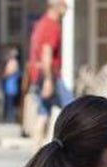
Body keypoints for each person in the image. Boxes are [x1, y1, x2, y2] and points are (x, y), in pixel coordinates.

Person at [27, 0, 73, 150]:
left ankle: (35, 151)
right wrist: (48, 81)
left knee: (43, 113)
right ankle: (76, 149)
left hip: (38, 75)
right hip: (50, 76)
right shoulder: (51, 25)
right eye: (65, 5)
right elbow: (46, 54)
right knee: (73, 109)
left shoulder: (40, 24)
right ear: (57, 6)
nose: (66, 9)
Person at [0, 45, 21, 122]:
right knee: (9, 103)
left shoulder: (13, 62)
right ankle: (9, 118)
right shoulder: (12, 62)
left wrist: (4, 75)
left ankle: (10, 119)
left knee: (10, 104)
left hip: (11, 87)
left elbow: (9, 72)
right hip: (9, 87)